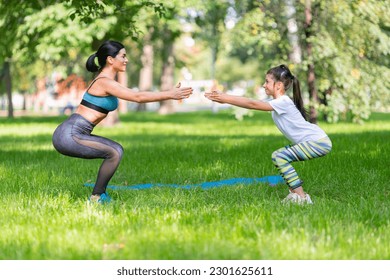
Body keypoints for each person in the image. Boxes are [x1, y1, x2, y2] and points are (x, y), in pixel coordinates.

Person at [52, 40, 193, 203]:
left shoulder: (107, 81)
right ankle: (97, 197)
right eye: (123, 56)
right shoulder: (104, 81)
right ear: (110, 60)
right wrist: (170, 94)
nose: (126, 60)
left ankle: (98, 196)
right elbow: (137, 97)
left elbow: (136, 94)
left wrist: (169, 93)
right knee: (114, 151)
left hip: (73, 132)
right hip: (70, 134)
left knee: (115, 150)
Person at [205, 64, 332, 204]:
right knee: (281, 157)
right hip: (316, 141)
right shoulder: (279, 102)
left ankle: (302, 197)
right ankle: (295, 193)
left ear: (278, 85)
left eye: (267, 81)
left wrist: (226, 98)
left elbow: (252, 104)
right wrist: (226, 100)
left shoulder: (283, 102)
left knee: (279, 156)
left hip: (318, 142)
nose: (264, 85)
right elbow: (253, 103)